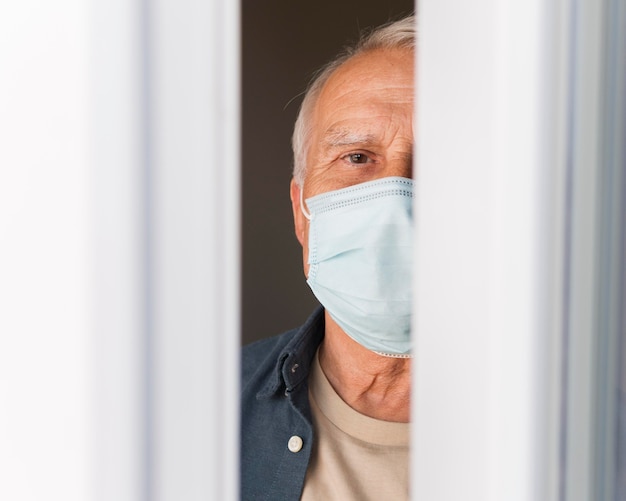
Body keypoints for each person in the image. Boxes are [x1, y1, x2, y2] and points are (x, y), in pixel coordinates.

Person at [241, 15, 415, 500]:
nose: (394, 203)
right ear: (302, 213)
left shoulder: (586, 426)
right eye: (357, 157)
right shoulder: (195, 416)